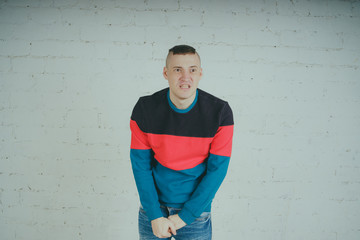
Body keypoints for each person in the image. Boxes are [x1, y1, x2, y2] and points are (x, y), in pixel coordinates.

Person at [130, 44, 234, 239]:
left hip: (195, 210)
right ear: (165, 73)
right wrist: (154, 214)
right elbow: (140, 166)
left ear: (200, 73)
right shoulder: (145, 109)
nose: (186, 77)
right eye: (177, 70)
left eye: (192, 70)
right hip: (153, 208)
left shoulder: (220, 113)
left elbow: (217, 171)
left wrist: (185, 216)